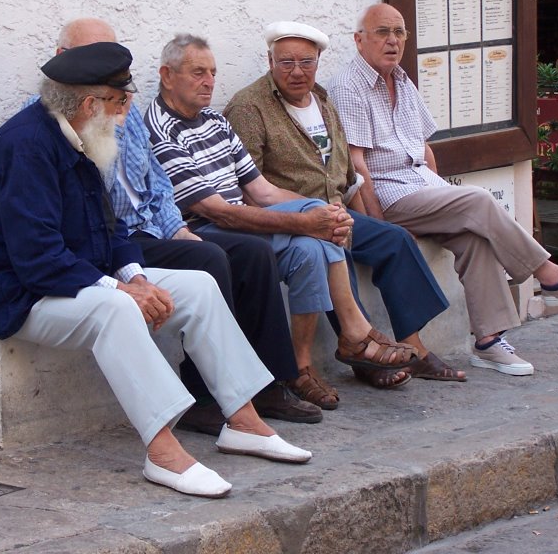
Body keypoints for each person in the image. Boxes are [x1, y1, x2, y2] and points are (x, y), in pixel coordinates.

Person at [0, 42, 311, 499]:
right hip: (23, 297)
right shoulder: (25, 149)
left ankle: (243, 420)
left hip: (77, 280)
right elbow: (38, 260)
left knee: (200, 286)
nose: (128, 109)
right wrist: (120, 289)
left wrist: (135, 275)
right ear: (91, 103)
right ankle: (163, 450)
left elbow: (108, 229)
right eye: (120, 100)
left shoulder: (80, 134)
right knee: (117, 310)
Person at [52, 18, 321, 434]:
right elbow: (93, 206)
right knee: (210, 257)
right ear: (62, 61)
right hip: (114, 244)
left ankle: (269, 381)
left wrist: (177, 228)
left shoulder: (127, 109)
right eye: (93, 59)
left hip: (153, 232)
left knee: (253, 253)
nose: (106, 71)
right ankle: (204, 395)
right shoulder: (67, 122)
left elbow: (158, 184)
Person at [327, 3, 558, 376]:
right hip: (389, 195)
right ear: (359, 39)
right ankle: (550, 275)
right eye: (382, 32)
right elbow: (357, 165)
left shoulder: (400, 78)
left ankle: (488, 341)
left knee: (474, 236)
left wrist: (440, 190)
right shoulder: (349, 85)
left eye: (399, 32)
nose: (392, 41)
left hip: (421, 189)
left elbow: (424, 148)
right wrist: (382, 226)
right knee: (479, 199)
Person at [145, 33, 419, 411]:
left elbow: (263, 192)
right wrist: (314, 217)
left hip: (239, 219)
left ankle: (298, 367)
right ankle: (355, 332)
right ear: (166, 75)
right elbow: (215, 211)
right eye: (197, 73)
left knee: (312, 246)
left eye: (212, 72)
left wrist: (322, 213)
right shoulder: (160, 128)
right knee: (317, 227)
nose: (209, 81)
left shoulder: (213, 121)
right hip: (203, 229)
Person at [224, 21, 466, 383]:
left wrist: (372, 220)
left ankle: (413, 347)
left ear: (318, 62)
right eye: (286, 62)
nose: (296, 72)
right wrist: (308, 217)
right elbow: (248, 187)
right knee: (337, 244)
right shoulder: (249, 107)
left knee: (393, 239)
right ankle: (363, 358)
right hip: (289, 218)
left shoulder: (323, 101)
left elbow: (347, 177)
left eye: (306, 62)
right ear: (269, 61)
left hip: (336, 209)